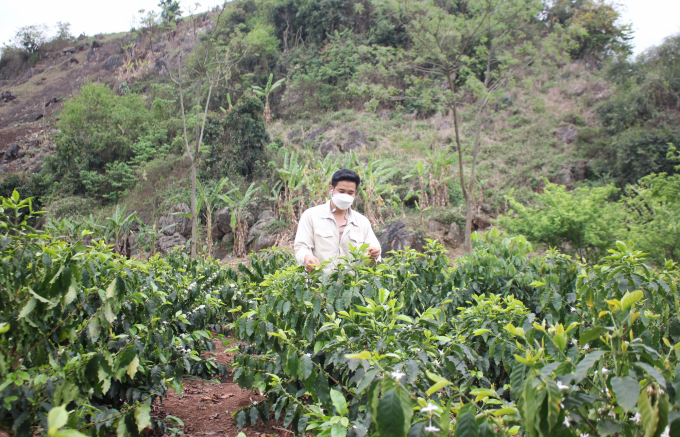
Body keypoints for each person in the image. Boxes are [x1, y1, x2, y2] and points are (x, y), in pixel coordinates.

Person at [294, 169, 382, 273]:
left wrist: (374, 255)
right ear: (331, 189)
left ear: (355, 193)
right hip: (318, 284)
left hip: (351, 287)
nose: (345, 196)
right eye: (341, 191)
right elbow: (301, 247)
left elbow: (373, 252)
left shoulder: (362, 222)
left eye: (350, 193)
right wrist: (306, 257)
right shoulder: (311, 216)